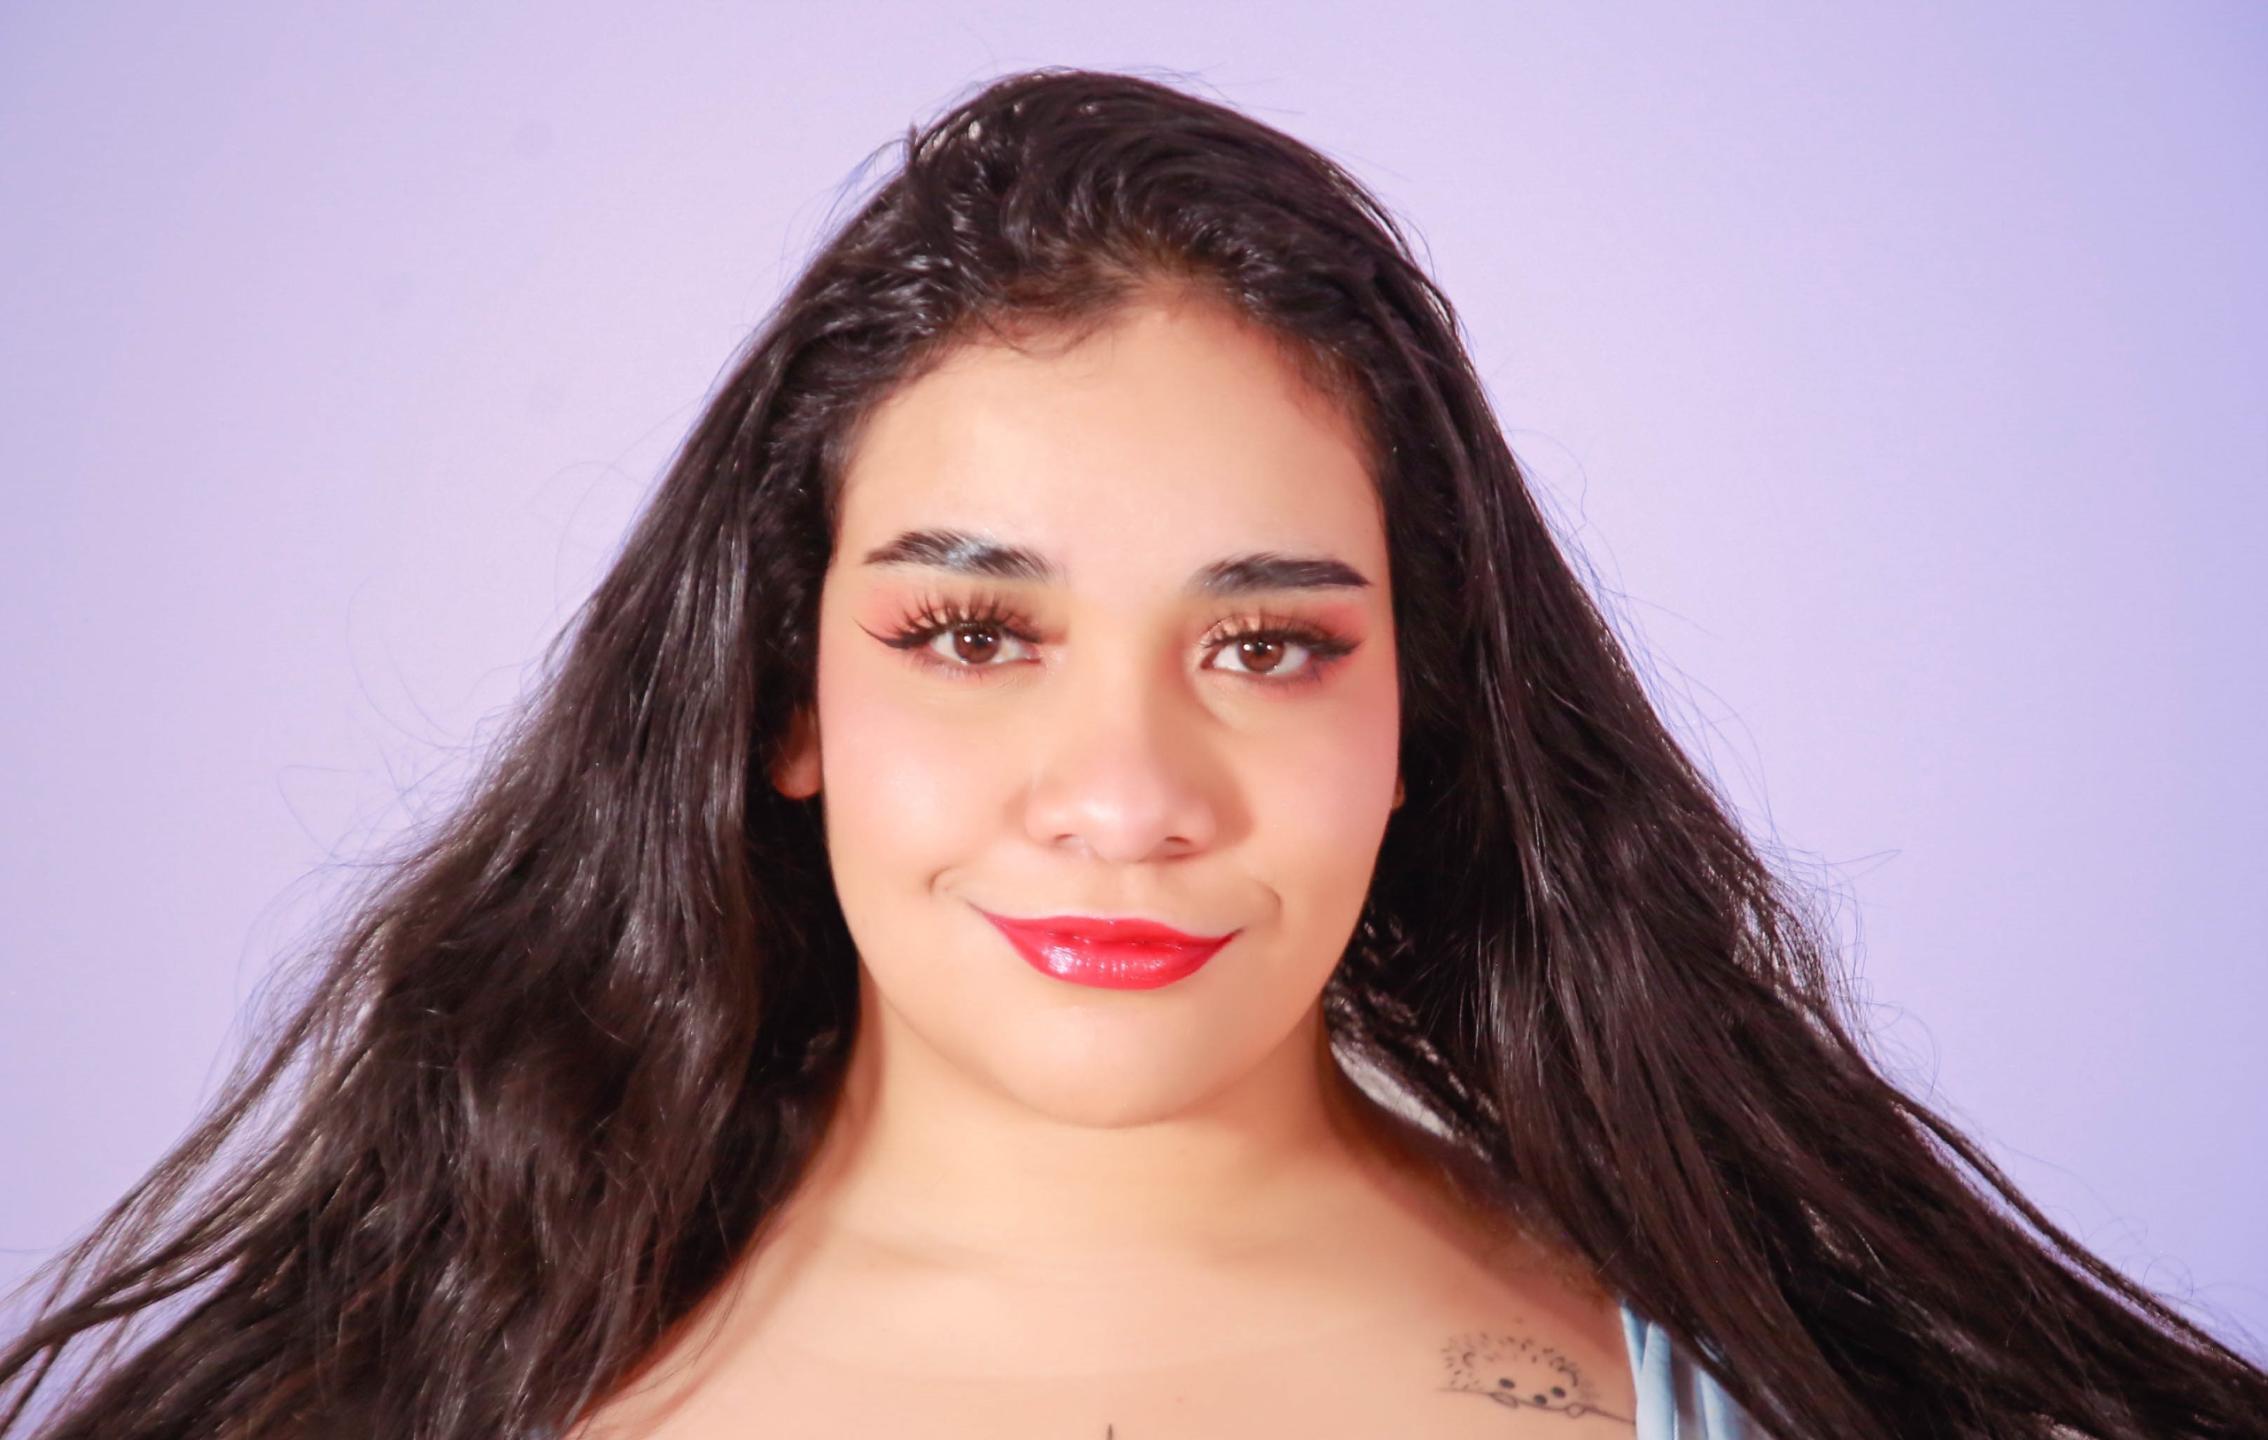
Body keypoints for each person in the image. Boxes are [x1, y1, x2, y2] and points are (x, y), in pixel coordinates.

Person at [1, 65, 2261, 1440]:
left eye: (1267, 647)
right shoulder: (372, 1405)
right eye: (974, 633)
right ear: (783, 698)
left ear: (1420, 717)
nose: (1126, 797)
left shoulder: (1805, 1397)